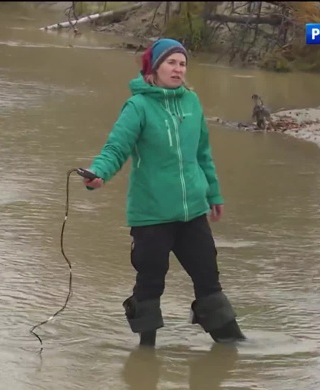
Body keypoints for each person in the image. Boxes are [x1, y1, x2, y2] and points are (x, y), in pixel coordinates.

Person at [81, 38, 246, 346]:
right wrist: (98, 174)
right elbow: (116, 148)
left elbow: (203, 153)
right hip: (151, 213)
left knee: (208, 276)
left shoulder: (192, 103)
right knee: (150, 282)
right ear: (153, 70)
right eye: (171, 63)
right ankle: (146, 353)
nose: (178, 69)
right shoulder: (138, 107)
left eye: (182, 64)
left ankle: (230, 343)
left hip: (193, 211)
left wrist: (214, 194)